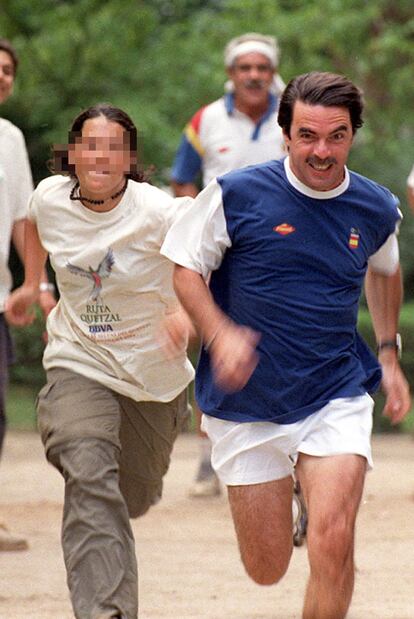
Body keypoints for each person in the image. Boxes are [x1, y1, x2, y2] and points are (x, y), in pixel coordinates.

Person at [161, 71, 411, 619]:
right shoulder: (235, 193)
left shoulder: (374, 207)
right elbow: (185, 268)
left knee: (333, 539)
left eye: (336, 136)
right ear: (285, 134)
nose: (322, 151)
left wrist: (388, 354)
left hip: (335, 389)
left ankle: (317, 489)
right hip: (248, 400)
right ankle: (295, 487)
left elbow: (386, 271)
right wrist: (220, 333)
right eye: (308, 136)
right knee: (266, 566)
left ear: (353, 135)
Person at [6, 103, 194, 619]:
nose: (101, 157)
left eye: (114, 147)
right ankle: (105, 611)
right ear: (72, 154)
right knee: (88, 472)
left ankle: (134, 484)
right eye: (91, 145)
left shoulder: (158, 211)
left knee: (130, 495)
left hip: (153, 379)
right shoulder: (49, 197)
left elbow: (207, 254)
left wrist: (185, 314)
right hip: (79, 360)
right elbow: (31, 224)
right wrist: (31, 282)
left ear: (130, 158)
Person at [171, 32, 289, 504]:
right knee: (217, 349)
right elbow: (181, 182)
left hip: (282, 254)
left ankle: (288, 455)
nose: (254, 75)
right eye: (246, 68)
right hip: (219, 256)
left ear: (272, 72)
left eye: (262, 67)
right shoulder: (206, 120)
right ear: (232, 73)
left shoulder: (293, 116)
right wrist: (196, 231)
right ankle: (209, 459)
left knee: (280, 347)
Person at [0, 38, 55, 552]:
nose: (1, 76)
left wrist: (35, 283)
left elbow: (23, 218)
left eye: (8, 70)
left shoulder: (10, 138)